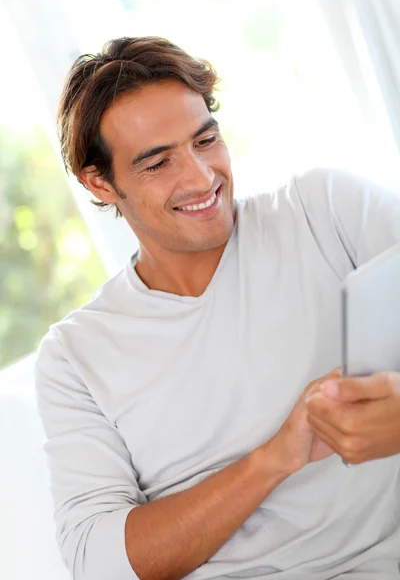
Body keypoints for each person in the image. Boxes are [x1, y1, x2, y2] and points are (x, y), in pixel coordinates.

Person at [35, 36, 400, 580]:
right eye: (158, 163)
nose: (202, 179)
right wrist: (277, 456)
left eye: (205, 141)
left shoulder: (324, 211)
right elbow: (100, 563)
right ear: (100, 181)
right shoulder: (74, 356)